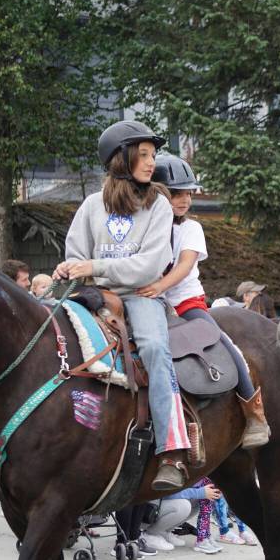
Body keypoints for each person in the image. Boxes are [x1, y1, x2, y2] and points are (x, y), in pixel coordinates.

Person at [55, 120, 190, 489]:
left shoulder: (160, 205)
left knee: (155, 349)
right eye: (143, 154)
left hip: (142, 296)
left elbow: (147, 266)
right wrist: (71, 268)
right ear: (121, 158)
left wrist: (95, 266)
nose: (151, 162)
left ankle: (172, 451)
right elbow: (76, 253)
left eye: (152, 154)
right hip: (98, 296)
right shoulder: (91, 206)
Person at [135, 151, 270, 448]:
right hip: (150, 304)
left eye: (188, 193)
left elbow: (184, 266)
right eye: (176, 194)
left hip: (185, 303)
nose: (184, 200)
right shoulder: (142, 227)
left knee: (225, 344)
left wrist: (159, 286)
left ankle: (253, 411)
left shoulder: (191, 228)